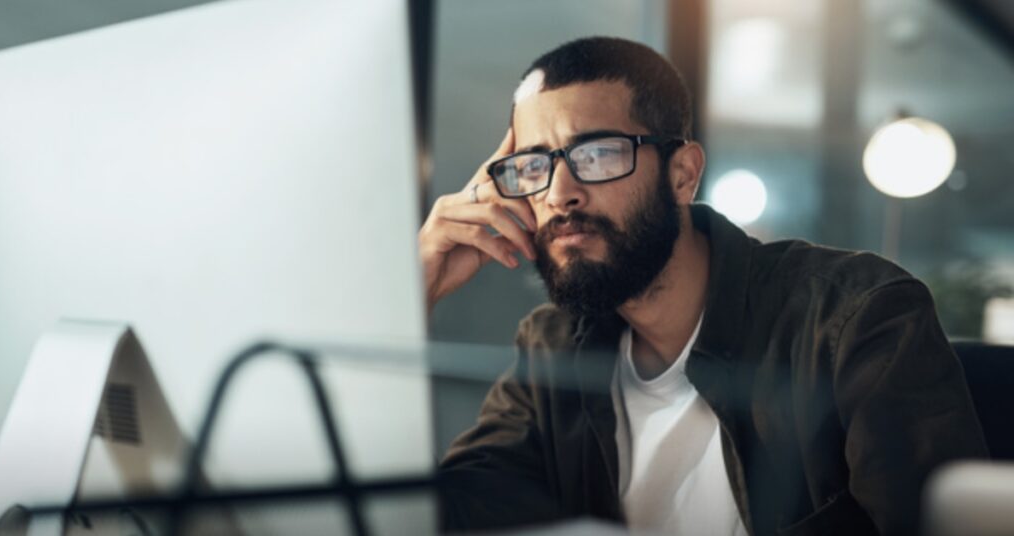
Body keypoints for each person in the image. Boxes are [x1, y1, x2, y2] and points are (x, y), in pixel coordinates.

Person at [419, 37, 988, 536]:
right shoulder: (551, 347)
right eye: (534, 165)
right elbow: (437, 512)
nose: (558, 193)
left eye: (596, 154)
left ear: (683, 174)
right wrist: (415, 290)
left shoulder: (854, 316)